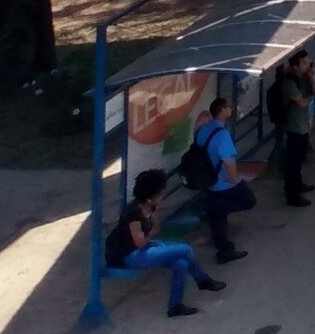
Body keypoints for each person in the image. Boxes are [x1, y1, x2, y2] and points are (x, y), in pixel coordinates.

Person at [108, 168, 226, 318]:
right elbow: (140, 243)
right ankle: (202, 280)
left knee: (181, 264)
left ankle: (175, 306)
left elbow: (156, 226)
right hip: (129, 255)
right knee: (185, 249)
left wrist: (154, 219)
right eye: (160, 194)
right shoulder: (133, 215)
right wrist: (152, 234)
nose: (163, 196)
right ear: (150, 197)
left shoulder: (148, 207)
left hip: (142, 247)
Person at [195, 96, 255, 263]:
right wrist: (237, 181)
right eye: (228, 107)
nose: (231, 109)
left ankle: (224, 249)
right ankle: (223, 247)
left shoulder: (202, 130)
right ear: (221, 111)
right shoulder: (222, 134)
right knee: (249, 200)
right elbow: (228, 162)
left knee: (218, 219)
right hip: (223, 182)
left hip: (208, 180)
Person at [268, 53, 315, 206]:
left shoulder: (304, 78)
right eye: (304, 63)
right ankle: (292, 194)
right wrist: (309, 97)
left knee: (299, 158)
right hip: (293, 126)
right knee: (293, 162)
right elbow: (301, 103)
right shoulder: (289, 82)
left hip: (303, 125)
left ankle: (298, 184)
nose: (308, 65)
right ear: (295, 66)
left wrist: (313, 79)